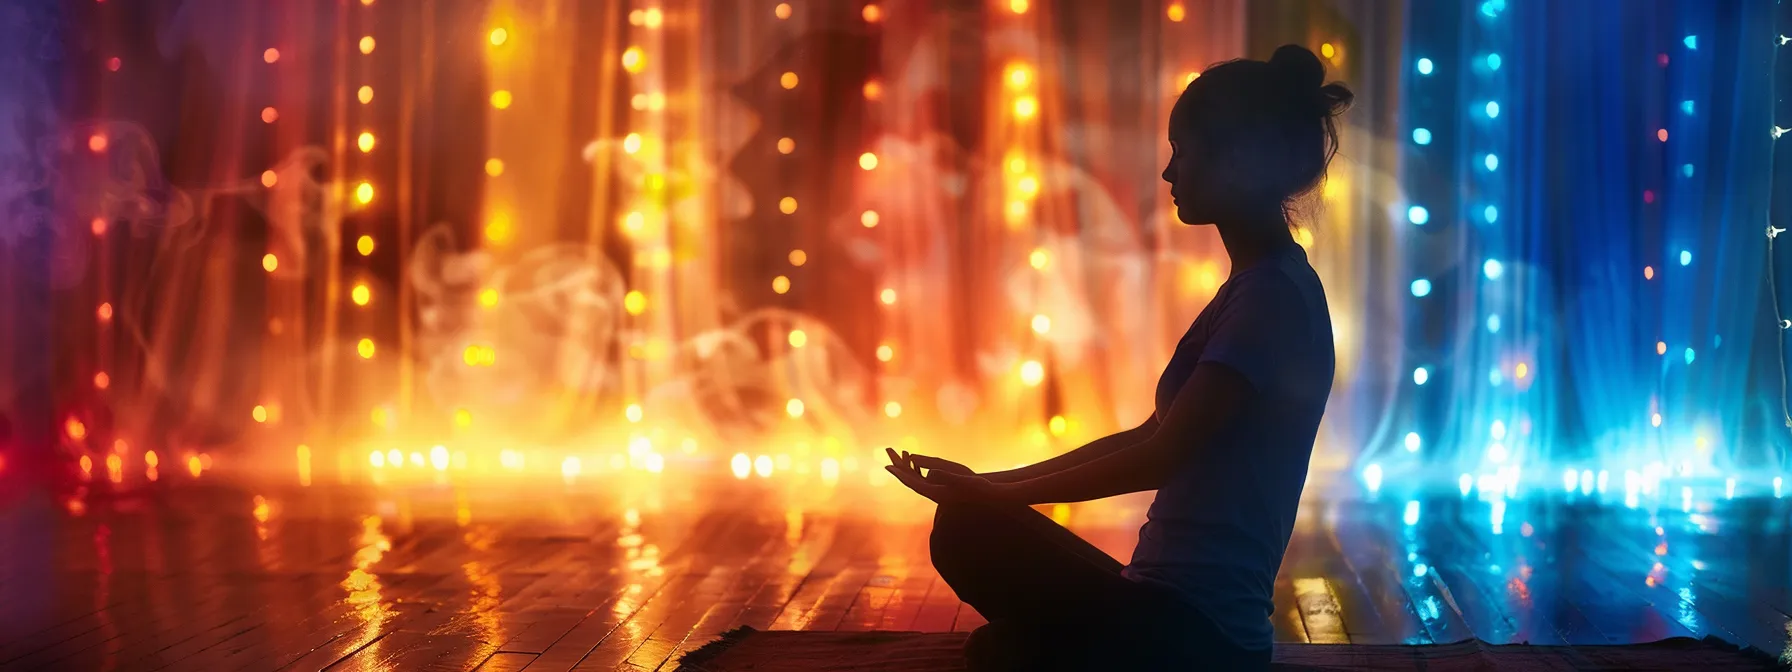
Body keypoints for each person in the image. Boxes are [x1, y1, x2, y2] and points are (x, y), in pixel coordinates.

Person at [884, 44, 1351, 671]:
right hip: (1168, 604)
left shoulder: (1269, 298)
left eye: (1183, 152)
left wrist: (988, 502)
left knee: (970, 539)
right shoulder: (1259, 287)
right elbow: (1152, 434)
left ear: (1238, 160)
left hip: (1201, 632)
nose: (1168, 173)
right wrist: (983, 485)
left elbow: (1159, 456)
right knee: (975, 547)